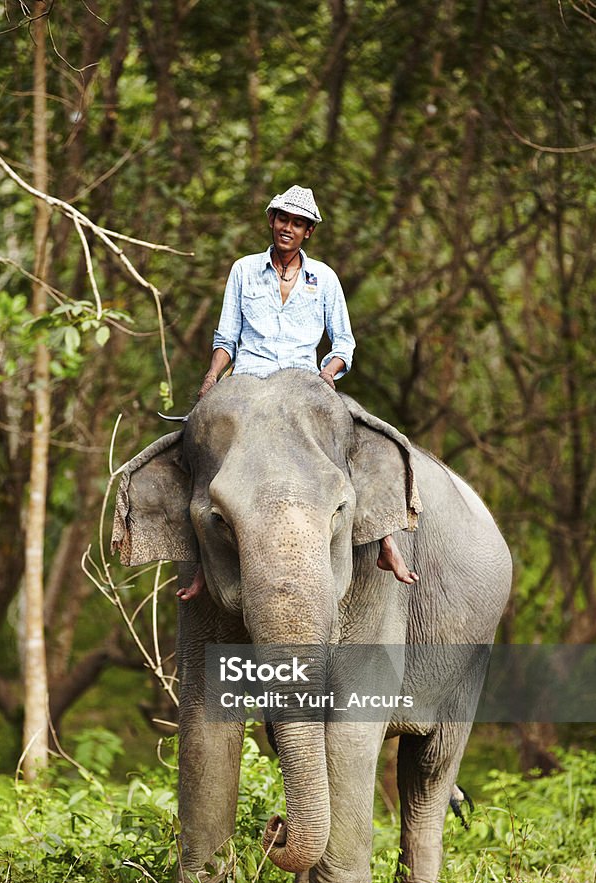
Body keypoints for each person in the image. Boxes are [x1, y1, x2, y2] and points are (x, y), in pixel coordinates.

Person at [177, 186, 418, 601]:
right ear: (272, 221)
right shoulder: (244, 270)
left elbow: (344, 343)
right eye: (283, 219)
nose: (288, 228)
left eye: (298, 223)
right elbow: (226, 336)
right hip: (247, 382)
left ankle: (385, 544)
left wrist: (329, 373)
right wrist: (212, 377)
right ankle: (202, 566)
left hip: (305, 384)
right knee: (196, 449)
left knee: (361, 442)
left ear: (308, 232)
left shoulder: (323, 278)